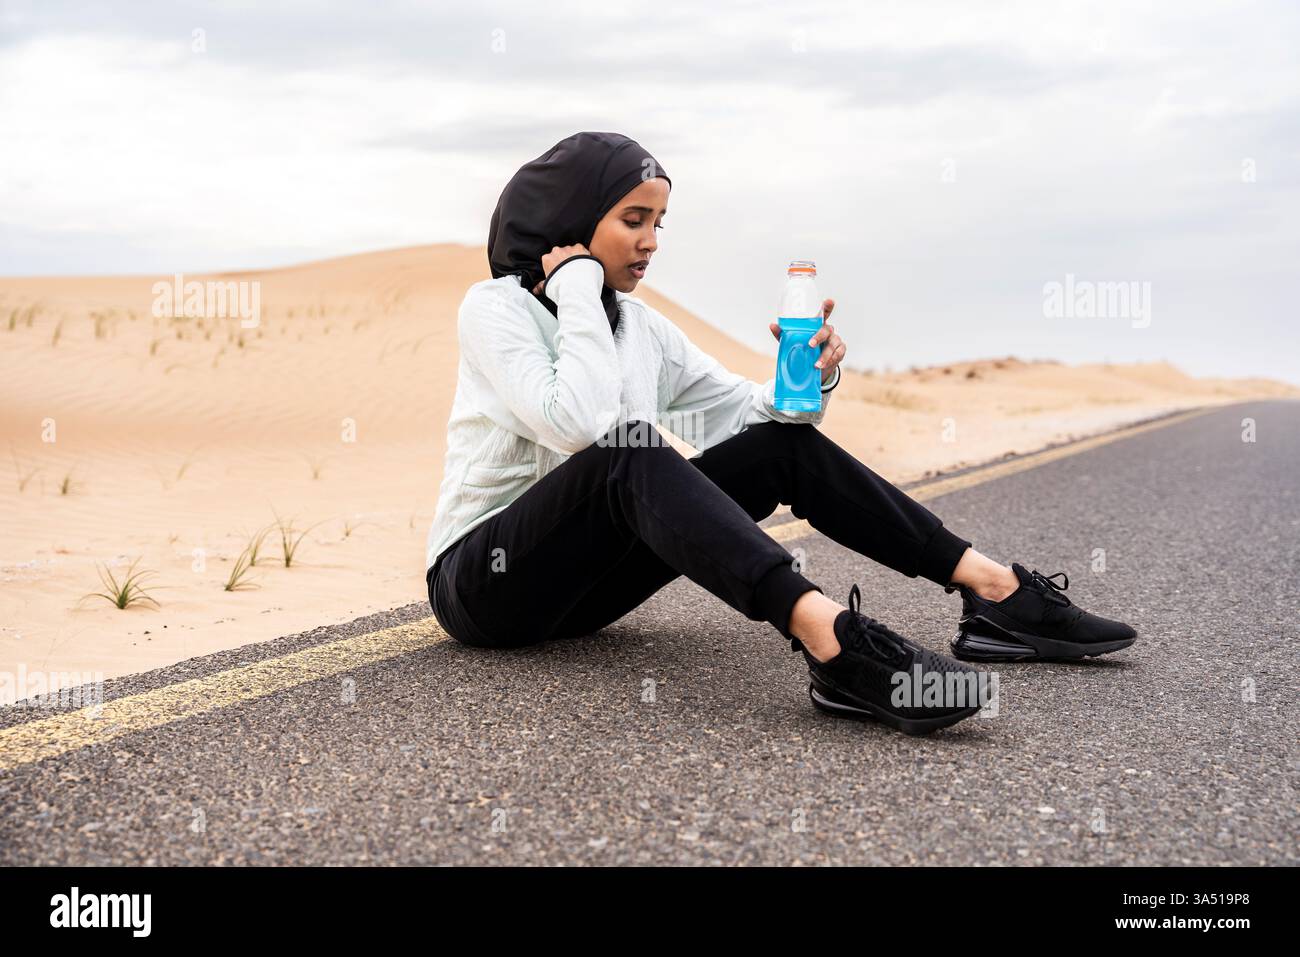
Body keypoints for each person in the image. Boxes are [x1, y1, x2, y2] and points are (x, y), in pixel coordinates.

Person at [425, 131, 1137, 736]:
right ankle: (831, 643)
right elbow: (577, 421)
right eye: (633, 220)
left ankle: (992, 591)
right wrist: (577, 286)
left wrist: (811, 378)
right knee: (629, 450)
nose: (651, 242)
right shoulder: (494, 311)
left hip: (582, 597)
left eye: (659, 223)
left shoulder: (640, 328)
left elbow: (747, 421)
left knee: (779, 448)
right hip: (486, 587)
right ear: (573, 222)